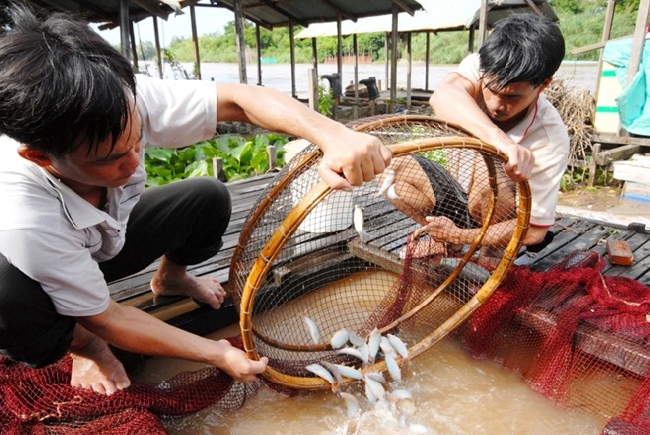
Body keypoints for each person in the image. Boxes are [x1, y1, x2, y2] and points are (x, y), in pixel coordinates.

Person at [0, 3, 392, 396]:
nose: (135, 161)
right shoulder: (22, 214)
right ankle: (86, 349)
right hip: (35, 272)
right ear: (39, 156)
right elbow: (109, 316)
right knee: (9, 295)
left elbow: (239, 100)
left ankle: (171, 278)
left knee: (207, 196)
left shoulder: (116, 96)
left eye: (137, 139)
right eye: (113, 158)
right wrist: (217, 354)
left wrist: (332, 135)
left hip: (103, 242)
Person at [384, 13, 568, 259]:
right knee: (393, 170)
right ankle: (444, 240)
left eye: (512, 97)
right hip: (459, 195)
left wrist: (459, 234)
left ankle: (487, 253)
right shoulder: (483, 64)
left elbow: (534, 231)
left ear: (543, 85)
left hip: (500, 218)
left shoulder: (550, 139)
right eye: (491, 91)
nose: (496, 106)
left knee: (490, 173)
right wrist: (500, 141)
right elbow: (442, 96)